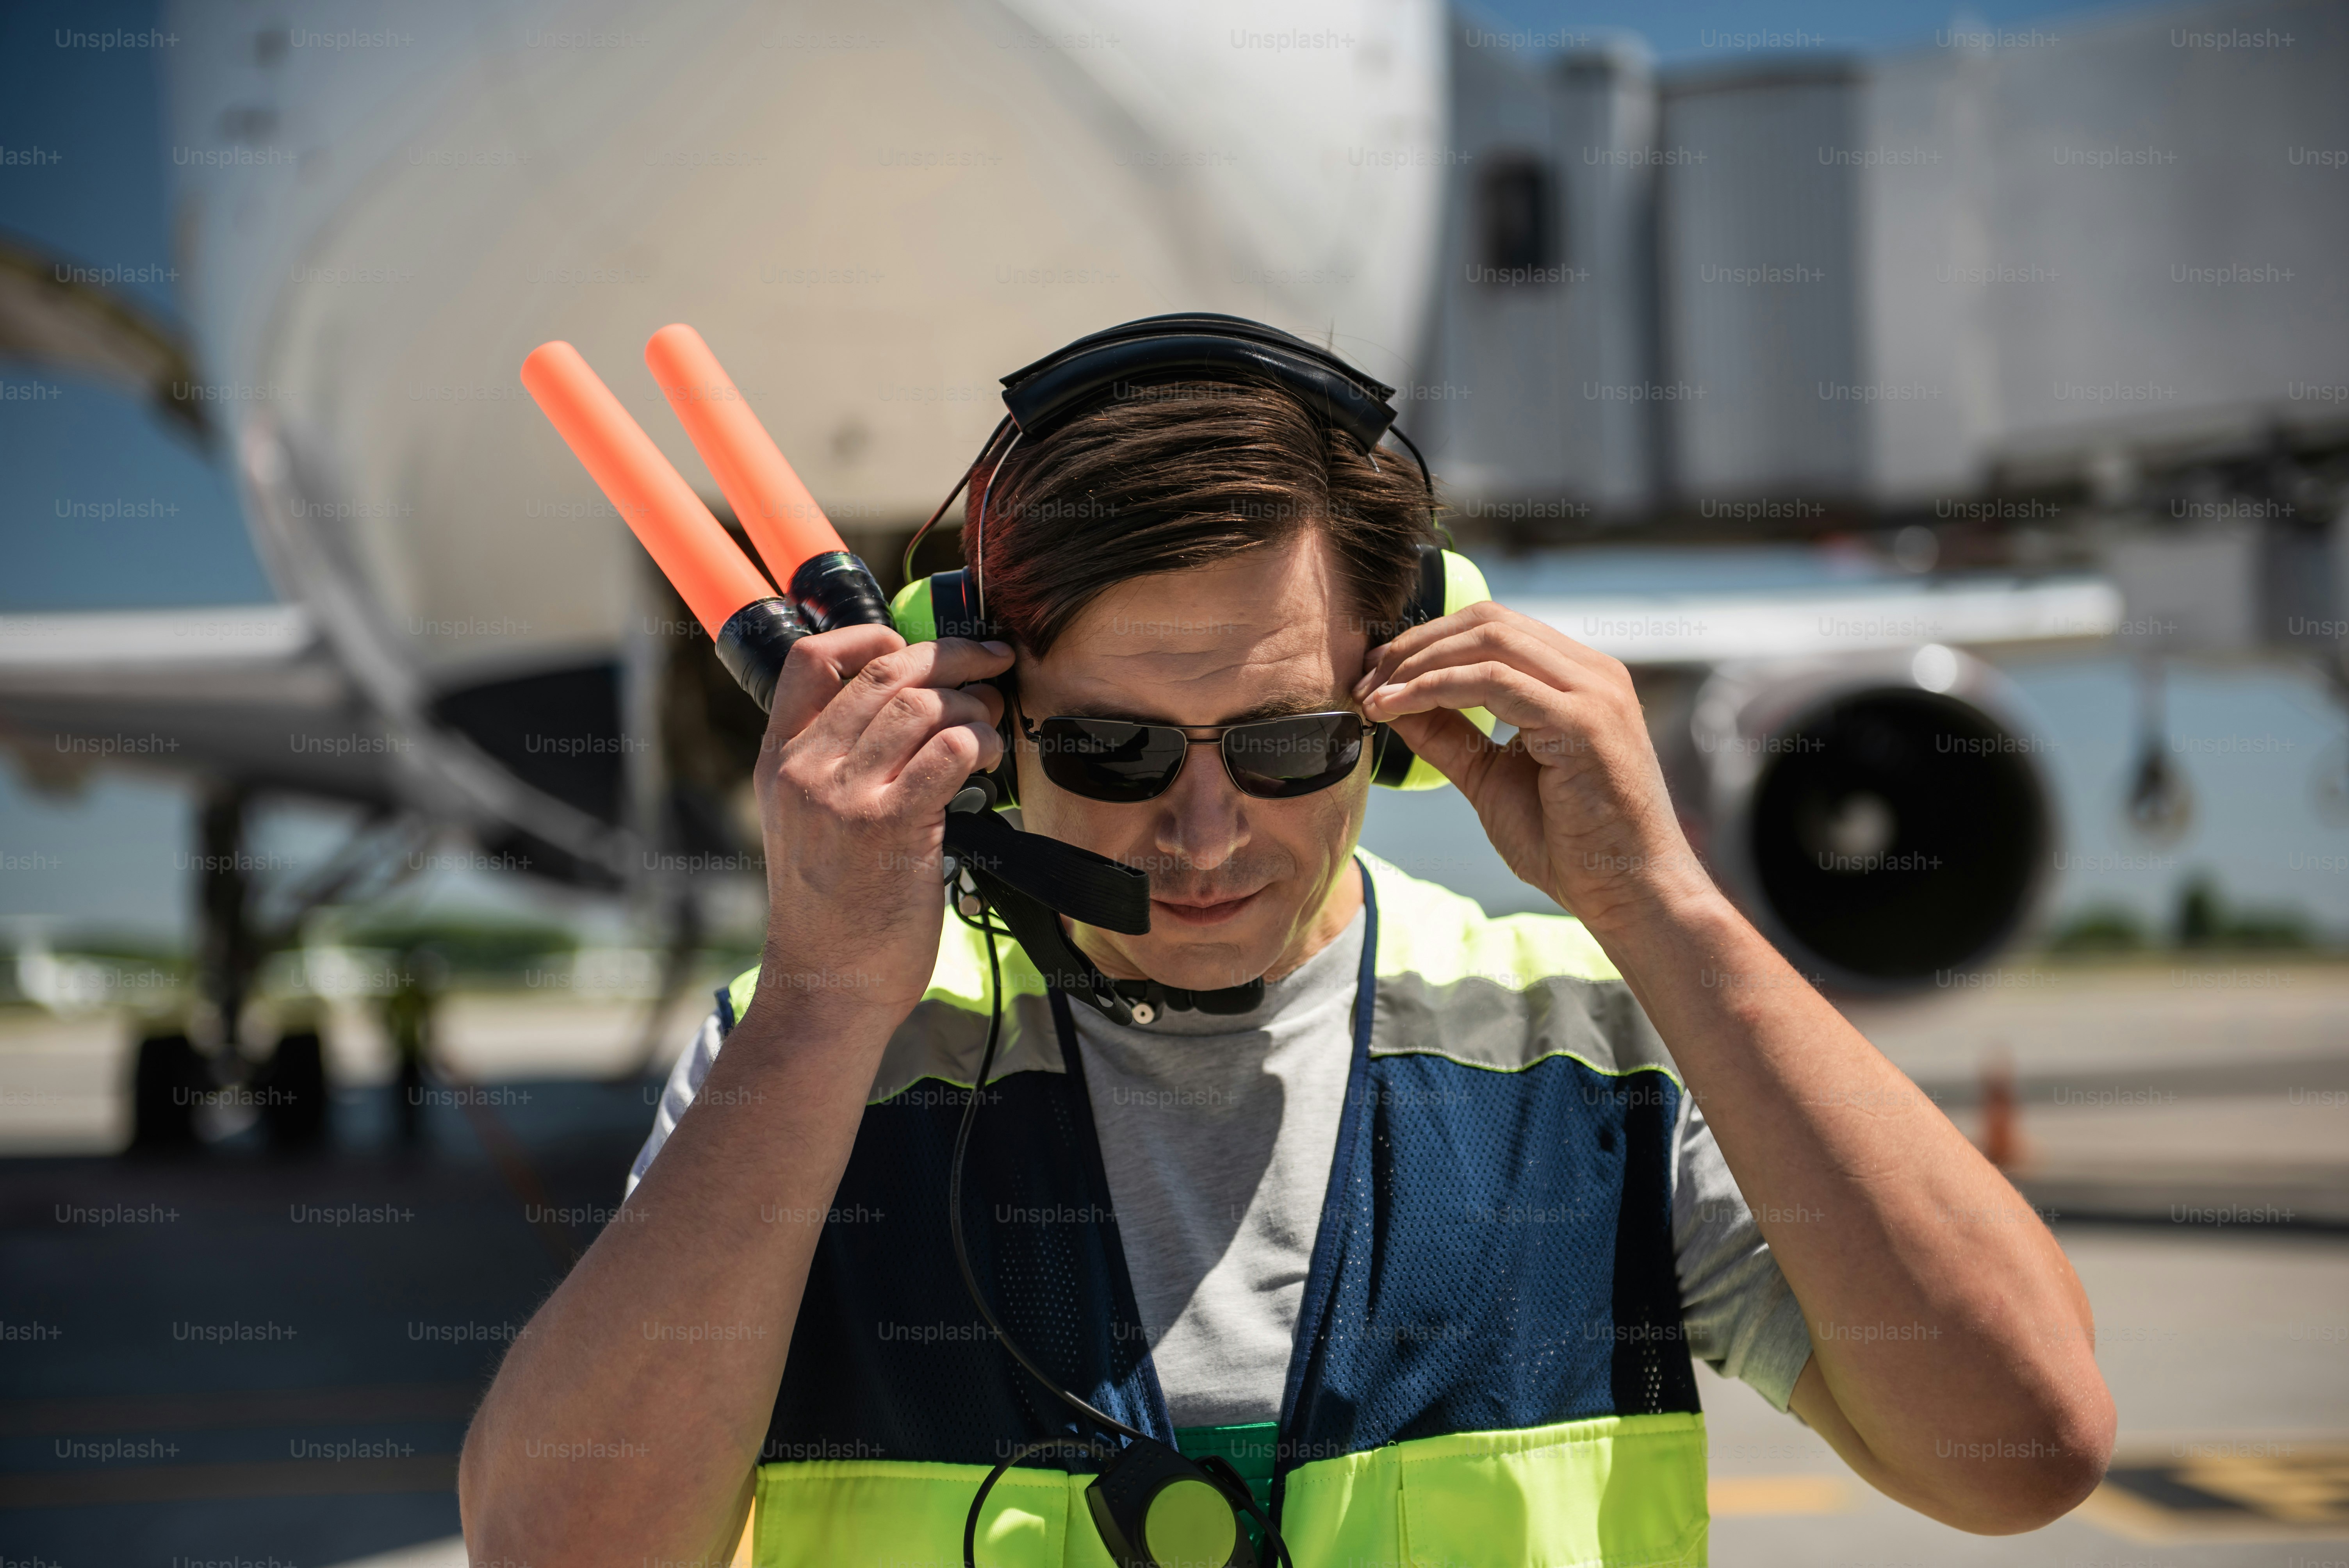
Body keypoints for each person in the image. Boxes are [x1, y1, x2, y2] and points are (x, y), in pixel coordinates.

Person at [460, 323, 2114, 1568]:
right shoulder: (830, 1047)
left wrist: (1666, 906)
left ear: (1397, 719)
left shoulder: (1587, 1037)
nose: (1199, 835)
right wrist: (824, 994)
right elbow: (564, 1543)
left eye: (1278, 746)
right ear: (976, 721)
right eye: (1112, 750)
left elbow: (2018, 1445)